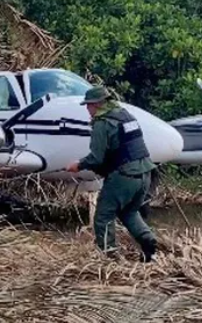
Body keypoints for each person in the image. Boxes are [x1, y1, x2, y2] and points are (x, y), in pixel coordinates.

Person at [66, 85, 158, 262]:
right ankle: (148, 242)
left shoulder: (102, 123)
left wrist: (77, 165)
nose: (87, 109)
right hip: (146, 173)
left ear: (97, 104)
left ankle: (109, 257)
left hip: (125, 176)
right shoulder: (125, 115)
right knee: (129, 212)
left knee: (103, 216)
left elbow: (96, 158)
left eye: (89, 105)